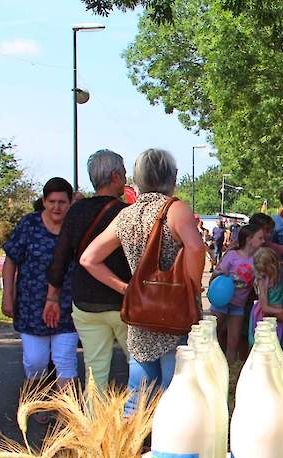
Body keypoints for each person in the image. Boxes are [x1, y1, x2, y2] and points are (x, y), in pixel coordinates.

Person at [80, 148, 206, 415]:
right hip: (176, 315)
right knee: (177, 394)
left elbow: (89, 258)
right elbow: (195, 248)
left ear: (138, 179)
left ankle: (130, 450)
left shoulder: (126, 214)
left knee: (138, 396)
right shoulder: (176, 209)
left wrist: (127, 290)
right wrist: (191, 289)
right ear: (172, 177)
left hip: (142, 315)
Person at [43, 150, 131, 393]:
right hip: (123, 301)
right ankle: (139, 421)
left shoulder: (76, 212)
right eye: (123, 173)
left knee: (95, 369)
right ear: (115, 176)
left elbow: (59, 258)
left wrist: (52, 297)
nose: (125, 178)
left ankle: (95, 425)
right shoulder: (126, 214)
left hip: (85, 303)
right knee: (138, 365)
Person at [3, 178, 78, 419]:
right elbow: (11, 259)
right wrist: (8, 294)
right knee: (36, 360)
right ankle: (37, 404)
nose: (57, 207)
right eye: (52, 202)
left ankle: (67, 413)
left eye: (62, 202)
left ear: (70, 203)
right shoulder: (29, 225)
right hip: (31, 304)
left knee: (65, 360)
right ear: (44, 201)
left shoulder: (76, 227)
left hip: (67, 306)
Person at [212, 223, 264, 365]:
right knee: (212, 335)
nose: (263, 241)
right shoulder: (232, 255)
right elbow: (217, 274)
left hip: (238, 305)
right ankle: (211, 365)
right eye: (260, 238)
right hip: (221, 302)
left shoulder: (257, 259)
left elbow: (259, 280)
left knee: (233, 341)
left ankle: (229, 371)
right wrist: (220, 276)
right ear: (249, 239)